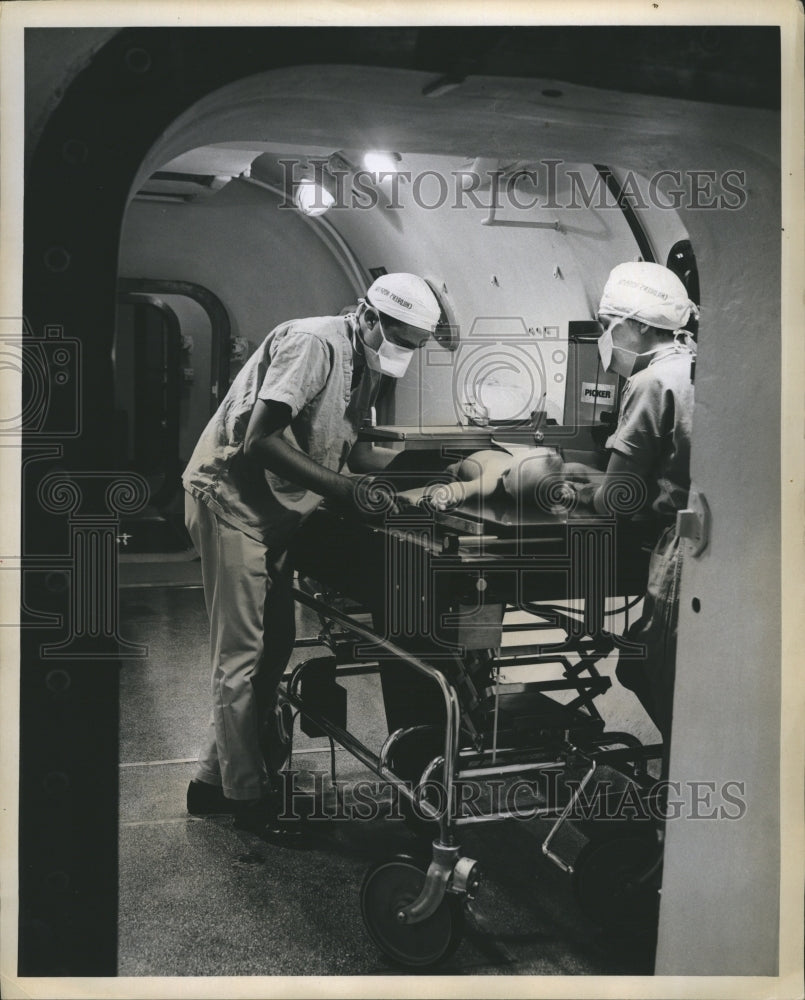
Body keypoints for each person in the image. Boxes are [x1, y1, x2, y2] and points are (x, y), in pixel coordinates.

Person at [182, 272, 442, 839]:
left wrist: (431, 466)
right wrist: (345, 491)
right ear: (367, 315)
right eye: (398, 338)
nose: (402, 352)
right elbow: (260, 441)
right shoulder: (315, 343)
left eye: (414, 346)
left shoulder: (365, 364)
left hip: (274, 514)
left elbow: (353, 446)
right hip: (232, 504)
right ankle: (248, 801)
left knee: (271, 651)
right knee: (243, 661)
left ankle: (210, 783)